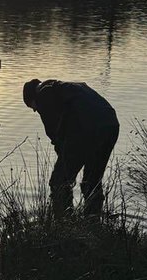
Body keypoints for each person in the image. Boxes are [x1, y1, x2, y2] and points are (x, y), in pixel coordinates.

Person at [22, 78, 120, 218]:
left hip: (87, 129)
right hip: (110, 125)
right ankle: (93, 221)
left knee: (58, 182)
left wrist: (64, 163)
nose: (36, 111)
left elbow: (55, 133)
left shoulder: (44, 94)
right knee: (91, 181)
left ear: (33, 97)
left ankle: (64, 222)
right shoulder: (70, 87)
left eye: (34, 108)